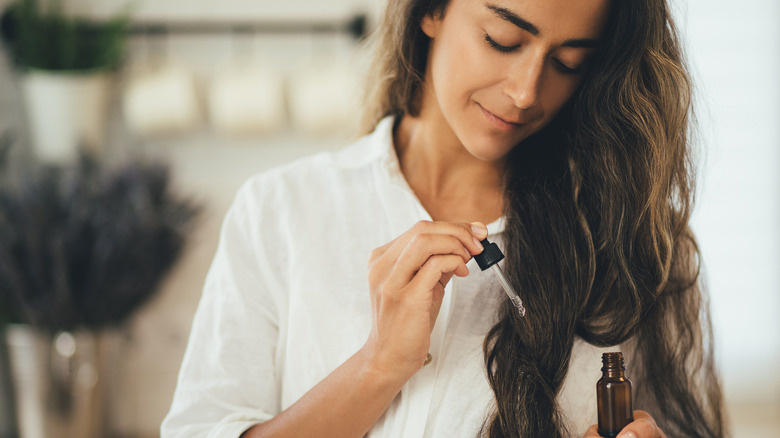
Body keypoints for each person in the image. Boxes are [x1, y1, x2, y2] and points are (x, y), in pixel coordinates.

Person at [161, 0, 727, 437]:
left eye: (567, 63)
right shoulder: (281, 211)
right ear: (432, 10)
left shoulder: (641, 250)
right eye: (502, 40)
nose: (527, 92)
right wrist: (377, 366)